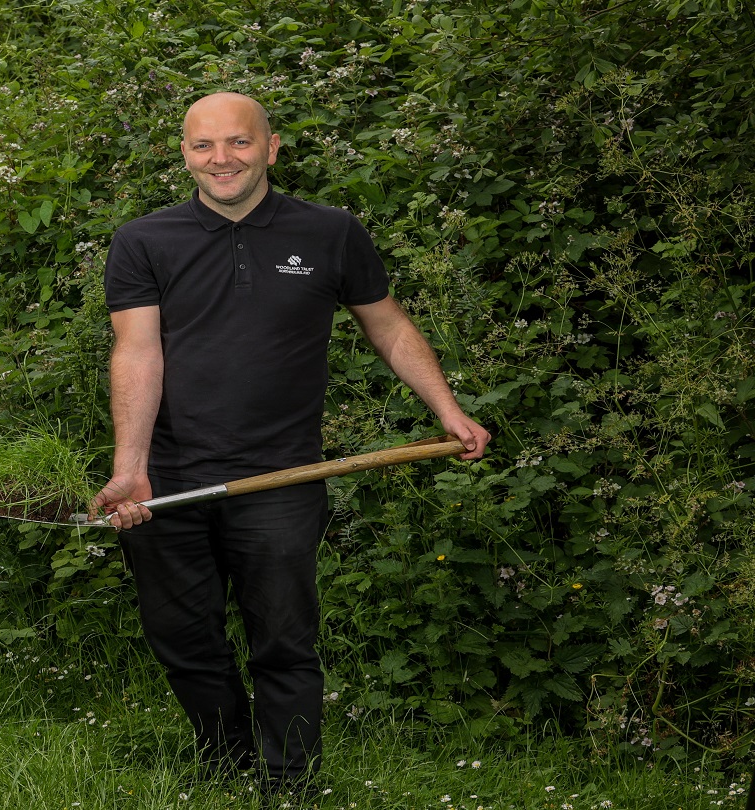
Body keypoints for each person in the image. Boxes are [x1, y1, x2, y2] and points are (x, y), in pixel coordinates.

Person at [91, 92, 490, 793]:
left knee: (283, 638)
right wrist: (133, 468)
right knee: (183, 638)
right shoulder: (144, 240)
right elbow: (137, 352)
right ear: (183, 154)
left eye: (239, 142)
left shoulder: (330, 231)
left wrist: (448, 409)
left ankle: (290, 784)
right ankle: (227, 760)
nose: (221, 159)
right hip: (170, 475)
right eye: (203, 145)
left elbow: (388, 326)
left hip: (283, 475)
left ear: (271, 148)